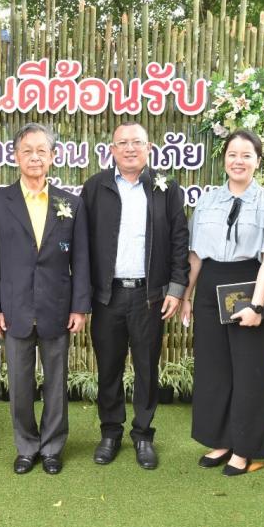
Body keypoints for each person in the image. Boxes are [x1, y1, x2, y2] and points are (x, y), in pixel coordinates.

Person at [180, 129, 264, 477]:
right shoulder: (207, 201)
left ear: (258, 161)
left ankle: (245, 449)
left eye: (246, 155)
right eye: (232, 154)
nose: (238, 161)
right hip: (210, 286)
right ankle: (220, 441)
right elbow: (195, 255)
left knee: (249, 373)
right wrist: (186, 296)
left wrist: (257, 307)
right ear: (224, 159)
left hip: (250, 284)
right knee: (214, 370)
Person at [0, 122, 91, 475]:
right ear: (15, 156)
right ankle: (26, 446)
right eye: (27, 150)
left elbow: (81, 260)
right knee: (20, 384)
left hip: (57, 307)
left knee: (56, 383)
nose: (35, 157)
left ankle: (53, 447)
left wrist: (79, 307)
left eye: (42, 150)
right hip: (15, 309)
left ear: (53, 156)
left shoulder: (71, 203)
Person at [80, 122, 189, 470]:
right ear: (111, 150)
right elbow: (81, 244)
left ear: (148, 148)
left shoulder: (165, 188)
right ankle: (110, 433)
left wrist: (176, 289)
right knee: (108, 367)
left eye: (136, 142)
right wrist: (83, 294)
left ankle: (143, 435)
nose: (129, 148)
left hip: (149, 296)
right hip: (107, 295)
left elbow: (179, 240)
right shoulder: (95, 187)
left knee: (146, 368)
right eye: (122, 143)